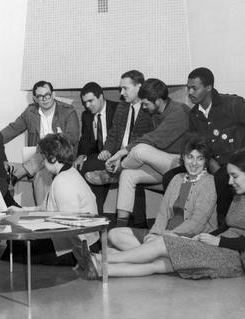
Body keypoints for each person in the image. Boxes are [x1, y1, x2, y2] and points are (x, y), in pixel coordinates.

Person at [74, 148, 245, 279]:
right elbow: (226, 227)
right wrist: (210, 237)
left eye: (234, 176)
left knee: (163, 244)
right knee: (160, 264)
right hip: (220, 248)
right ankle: (102, 270)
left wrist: (218, 242)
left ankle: (101, 258)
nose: (230, 182)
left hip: (234, 259)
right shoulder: (241, 195)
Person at [164, 67, 245, 227]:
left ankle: (222, 227)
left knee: (222, 177)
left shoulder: (233, 104)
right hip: (213, 163)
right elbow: (197, 145)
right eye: (188, 88)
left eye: (194, 88)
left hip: (239, 163)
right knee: (170, 176)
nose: (190, 92)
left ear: (209, 87)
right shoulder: (195, 114)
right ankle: (176, 222)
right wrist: (203, 162)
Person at [89, 78, 190, 227]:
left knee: (140, 149)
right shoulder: (155, 113)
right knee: (128, 175)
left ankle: (113, 174)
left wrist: (119, 154)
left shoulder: (179, 111)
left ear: (158, 101)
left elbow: (153, 139)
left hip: (181, 164)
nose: (143, 107)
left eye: (145, 103)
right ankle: (121, 227)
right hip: (163, 166)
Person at [108, 134, 217, 253]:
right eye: (190, 157)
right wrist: (154, 234)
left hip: (187, 239)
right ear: (183, 158)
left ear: (206, 160)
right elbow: (162, 213)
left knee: (112, 252)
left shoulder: (209, 183)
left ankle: (143, 254)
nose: (194, 163)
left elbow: (196, 224)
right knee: (114, 234)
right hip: (163, 235)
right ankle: (149, 254)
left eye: (200, 158)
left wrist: (166, 235)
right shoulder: (177, 178)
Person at [5, 133, 99, 265]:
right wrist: (21, 211)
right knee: (16, 243)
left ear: (53, 158)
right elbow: (44, 207)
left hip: (79, 248)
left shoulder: (62, 182)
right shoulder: (68, 172)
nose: (42, 162)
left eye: (43, 157)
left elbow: (70, 226)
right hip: (76, 241)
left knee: (17, 248)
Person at [83, 70, 153, 220]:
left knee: (130, 171)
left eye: (125, 88)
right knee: (90, 165)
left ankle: (139, 223)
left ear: (139, 87)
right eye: (121, 88)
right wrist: (107, 150)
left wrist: (122, 155)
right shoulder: (123, 106)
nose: (121, 92)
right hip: (118, 154)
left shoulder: (148, 109)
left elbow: (147, 140)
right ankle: (96, 216)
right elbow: (114, 133)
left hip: (137, 156)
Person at [0, 80, 79, 205]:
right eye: (40, 96)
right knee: (38, 176)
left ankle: (20, 173)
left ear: (53, 94)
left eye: (47, 95)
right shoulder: (31, 112)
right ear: (35, 99)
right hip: (41, 162)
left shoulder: (67, 111)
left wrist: (57, 137)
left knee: (47, 146)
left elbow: (74, 138)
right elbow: (13, 129)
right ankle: (40, 213)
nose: (45, 99)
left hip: (61, 158)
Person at [73, 82, 118, 214]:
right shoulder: (86, 115)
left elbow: (122, 136)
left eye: (90, 101)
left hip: (114, 153)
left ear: (101, 97)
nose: (87, 105)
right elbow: (85, 140)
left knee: (91, 168)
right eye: (84, 102)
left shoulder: (117, 110)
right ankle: (90, 213)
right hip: (97, 154)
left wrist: (111, 151)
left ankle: (94, 214)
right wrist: (81, 156)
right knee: (80, 167)